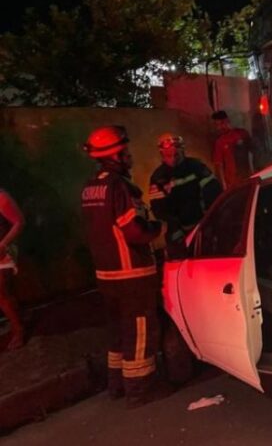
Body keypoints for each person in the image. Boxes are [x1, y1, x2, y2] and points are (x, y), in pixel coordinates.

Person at [81, 125, 168, 408]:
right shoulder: (119, 187)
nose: (129, 157)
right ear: (115, 156)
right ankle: (139, 390)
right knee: (140, 331)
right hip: (131, 272)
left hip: (106, 274)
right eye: (126, 152)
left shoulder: (91, 186)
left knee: (117, 332)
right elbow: (133, 231)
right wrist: (158, 228)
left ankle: (116, 385)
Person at [149, 133, 222, 259]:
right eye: (168, 155)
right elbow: (158, 209)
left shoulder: (196, 167)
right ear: (162, 155)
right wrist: (175, 229)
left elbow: (214, 192)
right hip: (177, 234)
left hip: (203, 227)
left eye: (176, 154)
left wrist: (208, 221)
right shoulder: (158, 177)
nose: (172, 158)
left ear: (183, 151)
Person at [0, 189, 25, 350]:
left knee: (1, 292)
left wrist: (3, 244)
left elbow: (19, 222)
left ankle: (19, 330)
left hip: (3, 251)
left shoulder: (0, 196)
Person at [211, 110, 255, 189]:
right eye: (217, 125)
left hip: (247, 178)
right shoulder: (219, 142)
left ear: (227, 121)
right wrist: (224, 186)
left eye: (222, 123)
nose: (219, 127)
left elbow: (254, 152)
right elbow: (219, 166)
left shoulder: (242, 134)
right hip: (232, 185)